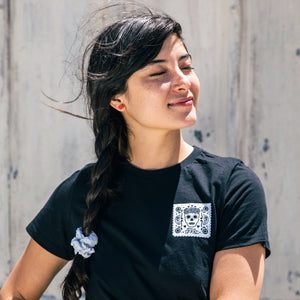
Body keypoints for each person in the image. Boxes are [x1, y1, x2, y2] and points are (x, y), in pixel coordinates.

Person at [0, 9, 270, 300]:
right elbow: (16, 291)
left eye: (187, 66)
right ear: (118, 99)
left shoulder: (231, 187)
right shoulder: (84, 191)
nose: (183, 82)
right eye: (159, 73)